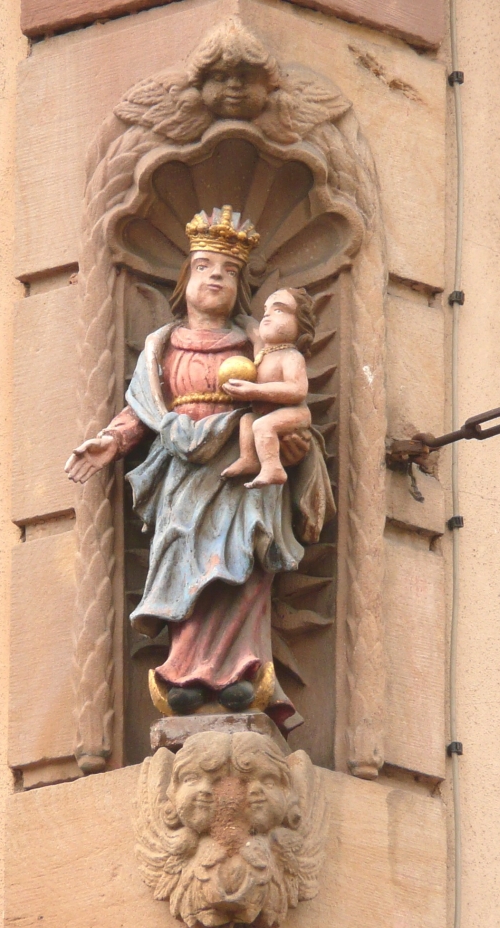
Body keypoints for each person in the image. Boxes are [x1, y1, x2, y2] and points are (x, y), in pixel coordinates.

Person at [65, 206, 334, 733]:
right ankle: (185, 675)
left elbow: (283, 406)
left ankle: (242, 671)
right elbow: (144, 409)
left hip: (239, 471)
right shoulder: (161, 346)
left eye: (229, 271)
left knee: (239, 568)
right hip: (181, 473)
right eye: (205, 265)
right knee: (185, 560)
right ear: (186, 277)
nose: (216, 276)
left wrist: (295, 443)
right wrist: (111, 441)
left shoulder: (255, 345)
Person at [221, 287, 314, 489]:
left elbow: (297, 390)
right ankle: (249, 459)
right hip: (267, 414)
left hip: (295, 413)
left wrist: (254, 391)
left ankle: (273, 468)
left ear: (300, 324)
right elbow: (255, 334)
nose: (268, 316)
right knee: (247, 420)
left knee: (262, 426)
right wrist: (242, 320)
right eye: (266, 311)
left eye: (279, 310)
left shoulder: (291, 356)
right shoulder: (263, 353)